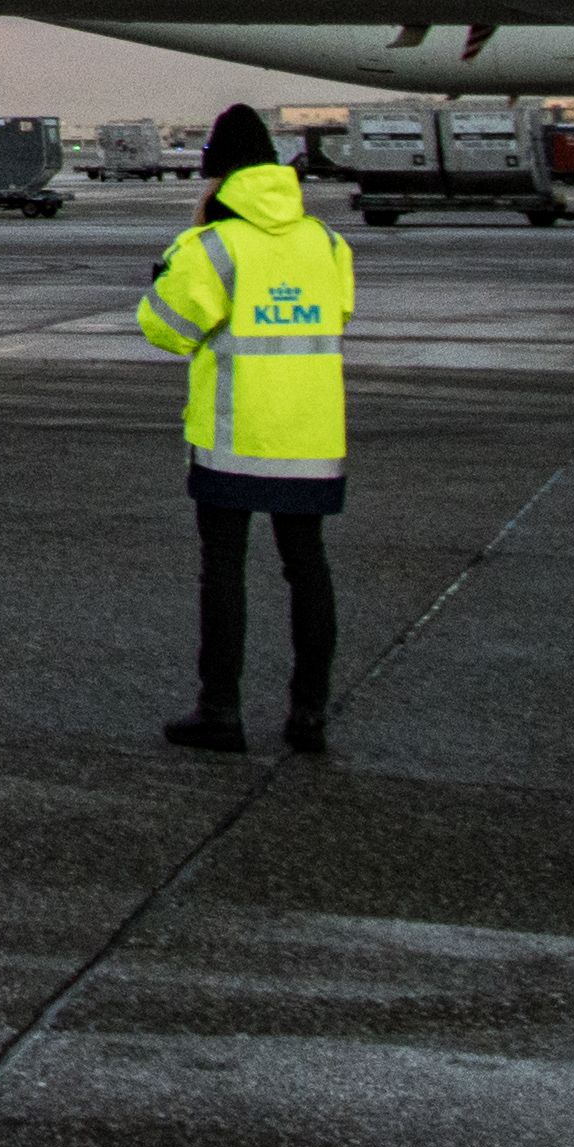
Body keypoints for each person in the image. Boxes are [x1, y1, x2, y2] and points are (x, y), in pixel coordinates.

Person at [136, 103, 353, 753]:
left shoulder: (214, 246)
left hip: (233, 438)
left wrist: (171, 268)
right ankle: (309, 714)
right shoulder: (326, 242)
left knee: (224, 572)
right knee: (308, 571)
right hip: (311, 439)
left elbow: (166, 331)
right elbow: (337, 308)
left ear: (218, 177)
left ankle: (221, 710)